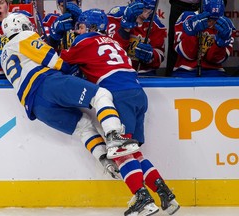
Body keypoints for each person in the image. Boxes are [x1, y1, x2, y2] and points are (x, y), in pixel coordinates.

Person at [60, 9, 180, 216]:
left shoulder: (84, 41)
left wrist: (55, 38)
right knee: (133, 152)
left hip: (119, 96)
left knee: (120, 152)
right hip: (137, 94)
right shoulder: (113, 41)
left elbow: (61, 64)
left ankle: (142, 199)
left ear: (90, 27)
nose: (77, 31)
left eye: (79, 26)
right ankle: (165, 193)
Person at [0, 13, 140, 177]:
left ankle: (105, 161)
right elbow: (56, 62)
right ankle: (114, 136)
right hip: (48, 85)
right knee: (101, 95)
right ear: (22, 27)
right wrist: (70, 67)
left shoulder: (4, 54)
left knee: (83, 126)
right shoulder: (24, 36)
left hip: (37, 108)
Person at [172, 0, 235, 77]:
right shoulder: (187, 18)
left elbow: (215, 60)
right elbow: (188, 55)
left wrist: (220, 45)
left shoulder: (227, 25)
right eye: (209, 19)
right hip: (185, 70)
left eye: (215, 19)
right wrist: (192, 34)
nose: (212, 23)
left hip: (214, 71)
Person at [107, 0, 167, 76]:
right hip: (118, 71)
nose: (145, 16)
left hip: (145, 73)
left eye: (149, 11)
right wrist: (125, 28)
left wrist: (151, 56)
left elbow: (160, 55)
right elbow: (111, 51)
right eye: (144, 10)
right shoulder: (116, 16)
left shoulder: (156, 24)